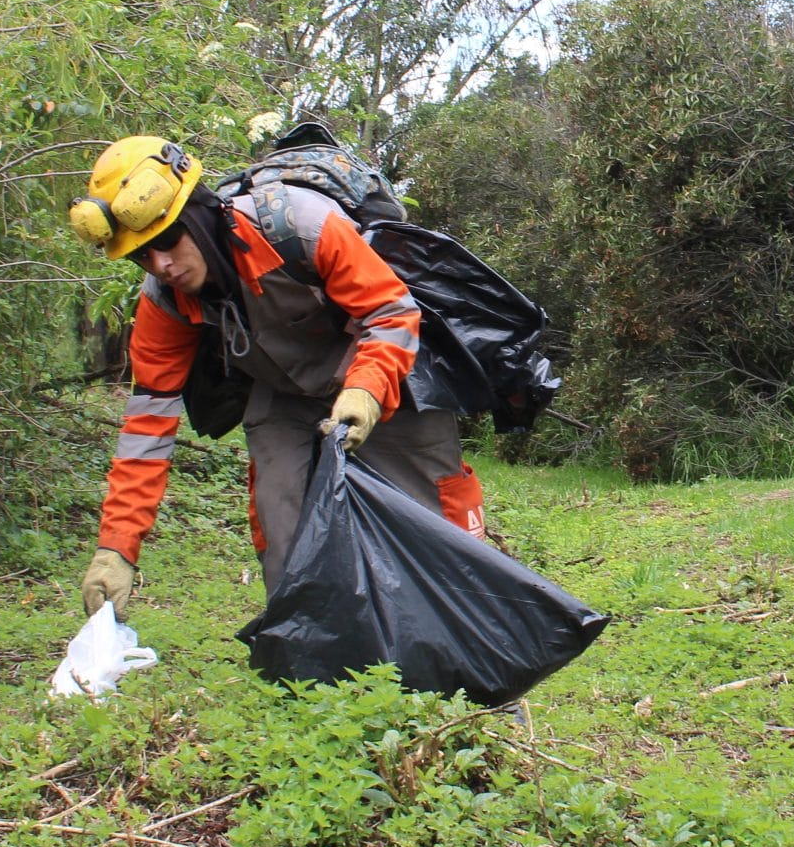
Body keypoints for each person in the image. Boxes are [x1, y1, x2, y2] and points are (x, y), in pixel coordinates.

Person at [68, 135, 486, 619]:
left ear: (201, 213)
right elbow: (147, 426)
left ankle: (478, 643)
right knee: (280, 516)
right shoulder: (164, 300)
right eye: (142, 255)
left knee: (436, 508)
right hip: (284, 392)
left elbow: (390, 313)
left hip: (380, 366)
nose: (161, 264)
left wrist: (366, 389)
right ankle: (309, 655)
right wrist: (117, 548)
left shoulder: (301, 225)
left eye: (166, 240)